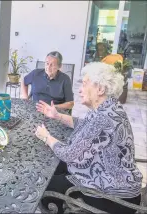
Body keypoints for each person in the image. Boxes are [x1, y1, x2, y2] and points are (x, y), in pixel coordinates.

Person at [34, 62, 142, 214]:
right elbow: (84, 124)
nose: (79, 90)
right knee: (54, 167)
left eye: (84, 84)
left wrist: (46, 137)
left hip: (115, 198)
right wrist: (57, 116)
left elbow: (69, 154)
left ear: (100, 89)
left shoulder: (102, 118)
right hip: (119, 183)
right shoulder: (108, 107)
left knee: (46, 185)